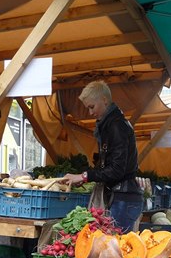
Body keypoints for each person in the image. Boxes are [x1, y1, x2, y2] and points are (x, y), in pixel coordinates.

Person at [61, 81, 143, 233]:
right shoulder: (111, 124)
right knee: (112, 248)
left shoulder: (116, 126)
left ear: (105, 100)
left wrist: (85, 176)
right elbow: (110, 164)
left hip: (124, 199)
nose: (90, 113)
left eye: (92, 107)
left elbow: (117, 170)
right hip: (122, 197)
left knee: (116, 249)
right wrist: (87, 176)